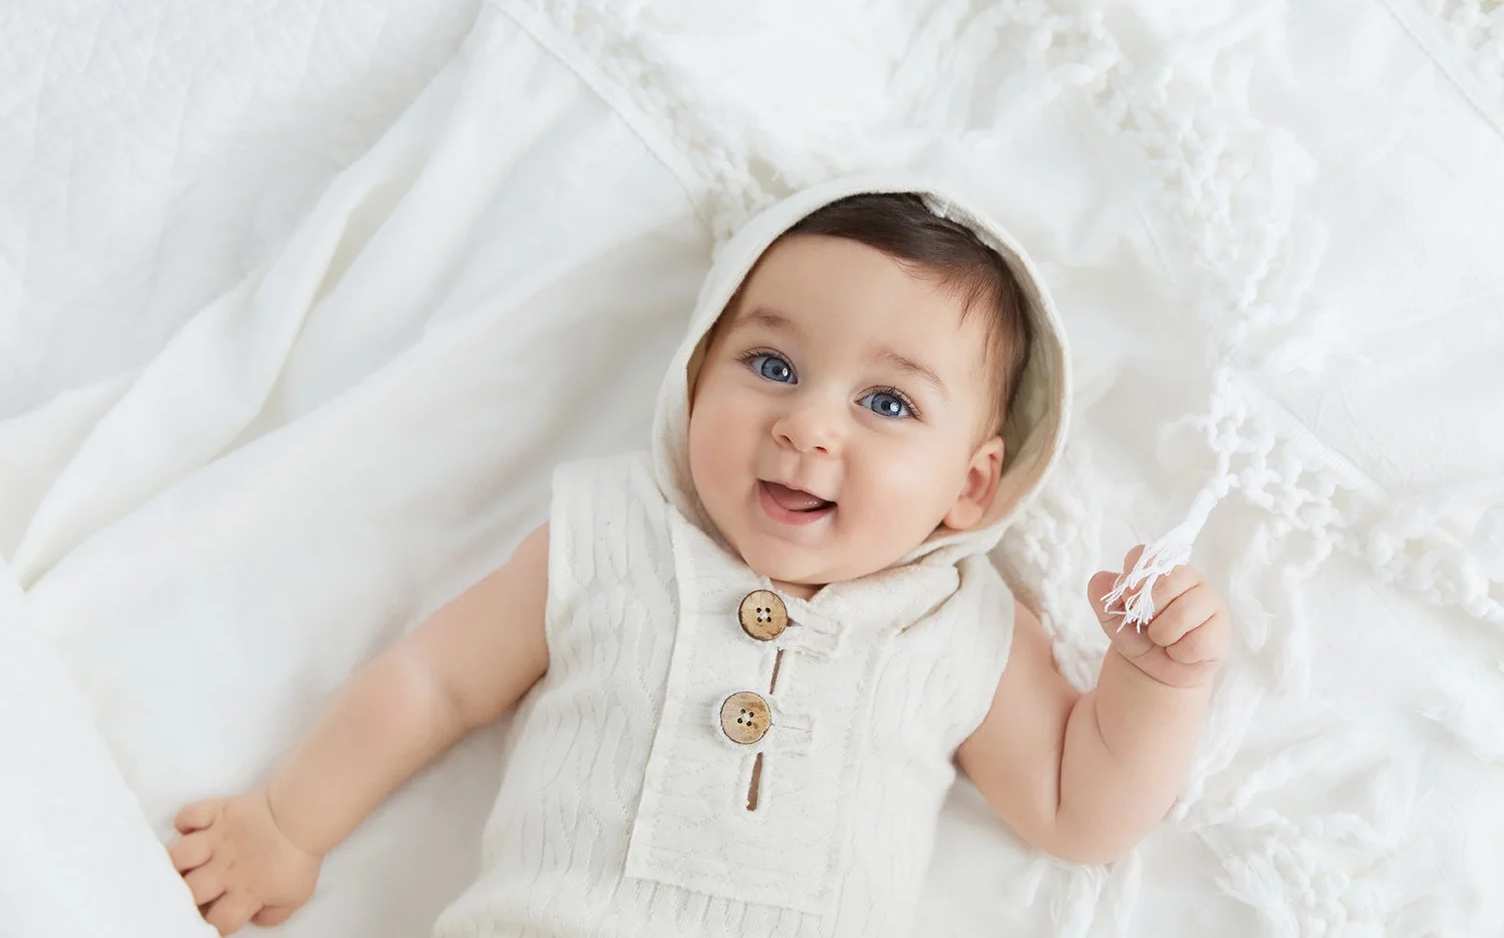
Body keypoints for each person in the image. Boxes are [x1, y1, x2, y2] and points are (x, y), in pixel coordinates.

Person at [167, 180, 1230, 937]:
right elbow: (434, 683)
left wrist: (1150, 682)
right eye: (770, 364)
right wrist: (285, 821)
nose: (809, 426)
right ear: (692, 377)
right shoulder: (614, 531)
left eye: (887, 402)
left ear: (970, 484)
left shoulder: (955, 622)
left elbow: (1074, 807)